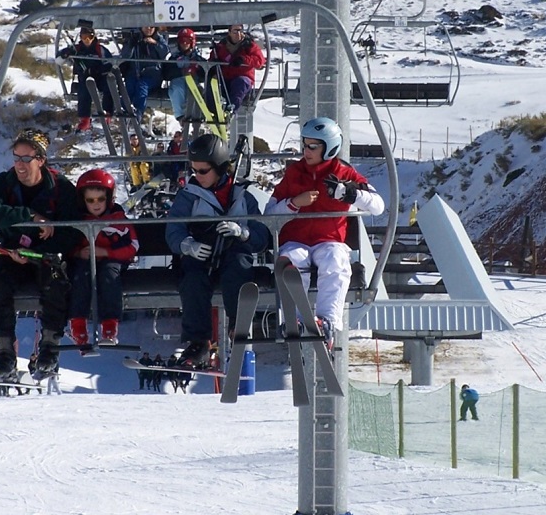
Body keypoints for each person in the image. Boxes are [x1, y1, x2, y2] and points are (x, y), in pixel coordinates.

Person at [265, 117, 385, 347]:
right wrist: (293, 203)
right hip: (296, 239)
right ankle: (296, 320)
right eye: (304, 144)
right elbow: (269, 212)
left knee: (336, 261)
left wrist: (350, 194)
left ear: (329, 147)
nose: (306, 151)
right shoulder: (294, 173)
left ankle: (327, 320)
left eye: (313, 146)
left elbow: (378, 205)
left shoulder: (344, 173)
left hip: (329, 239)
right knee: (290, 261)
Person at [0, 128, 81, 381]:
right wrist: (30, 216)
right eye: (16, 158)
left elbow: (72, 231)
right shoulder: (4, 183)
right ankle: (4, 350)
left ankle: (49, 345)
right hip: (11, 250)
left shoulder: (61, 188)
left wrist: (38, 250)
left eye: (26, 159)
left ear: (41, 160)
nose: (20, 165)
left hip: (45, 253)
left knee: (56, 284)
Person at [165, 134, 270, 367]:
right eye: (194, 171)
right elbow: (174, 228)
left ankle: (237, 325)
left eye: (203, 171)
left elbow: (262, 235)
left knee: (239, 269)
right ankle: (198, 341)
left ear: (220, 168)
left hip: (232, 250)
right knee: (192, 280)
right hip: (202, 251)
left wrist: (243, 233)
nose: (197, 176)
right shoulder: (189, 197)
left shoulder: (242, 196)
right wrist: (187, 245)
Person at [69, 169, 139, 347]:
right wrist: (78, 253)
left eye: (101, 199)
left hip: (112, 261)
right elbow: (67, 245)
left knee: (109, 274)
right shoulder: (78, 220)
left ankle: (109, 325)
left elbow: (133, 246)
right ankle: (78, 324)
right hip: (87, 262)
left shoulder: (118, 220)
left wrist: (106, 252)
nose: (96, 204)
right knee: (80, 274)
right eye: (90, 200)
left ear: (109, 199)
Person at [58, 21, 115, 132]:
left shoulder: (100, 49)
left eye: (89, 37)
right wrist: (66, 52)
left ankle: (108, 112)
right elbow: (60, 57)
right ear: (80, 37)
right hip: (85, 78)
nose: (87, 40)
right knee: (84, 91)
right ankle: (85, 119)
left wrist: (97, 70)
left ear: (94, 37)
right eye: (84, 37)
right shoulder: (77, 49)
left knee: (109, 87)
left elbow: (109, 64)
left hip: (99, 77)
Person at [208, 24, 265, 112]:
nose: (238, 34)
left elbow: (260, 61)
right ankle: (212, 111)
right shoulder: (221, 46)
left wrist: (243, 59)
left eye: (240, 31)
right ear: (229, 32)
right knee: (213, 82)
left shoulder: (249, 45)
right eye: (235, 31)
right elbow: (212, 60)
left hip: (242, 78)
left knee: (239, 84)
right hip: (225, 78)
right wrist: (213, 66)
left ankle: (231, 109)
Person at [119, 25, 168, 124]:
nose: (149, 29)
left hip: (152, 75)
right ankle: (125, 110)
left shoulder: (159, 39)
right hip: (135, 72)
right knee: (129, 85)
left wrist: (155, 44)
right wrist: (131, 44)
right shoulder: (135, 39)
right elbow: (125, 55)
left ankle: (138, 111)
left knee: (142, 86)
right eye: (146, 27)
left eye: (151, 27)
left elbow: (165, 53)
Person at [163, 27, 206, 126]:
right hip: (178, 80)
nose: (184, 43)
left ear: (192, 42)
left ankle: (198, 112)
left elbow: (204, 74)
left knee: (195, 89)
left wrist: (196, 70)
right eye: (182, 41)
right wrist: (181, 71)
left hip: (193, 80)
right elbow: (166, 73)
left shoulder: (198, 58)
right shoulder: (174, 58)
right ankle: (181, 116)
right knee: (177, 88)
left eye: (187, 41)